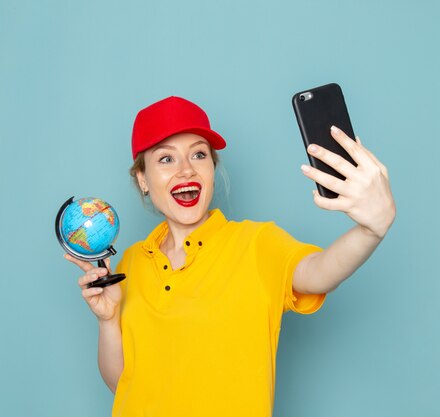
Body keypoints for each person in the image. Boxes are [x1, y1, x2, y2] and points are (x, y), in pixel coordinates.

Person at [65, 96, 396, 416]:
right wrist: (107, 321)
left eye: (198, 155)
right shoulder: (132, 263)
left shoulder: (256, 243)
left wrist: (371, 230)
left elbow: (319, 271)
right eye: (166, 159)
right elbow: (124, 383)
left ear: (212, 168)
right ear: (143, 179)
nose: (185, 170)